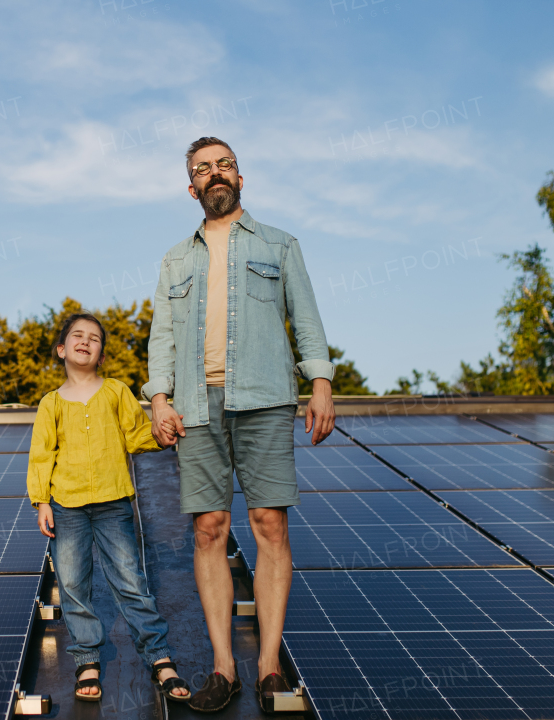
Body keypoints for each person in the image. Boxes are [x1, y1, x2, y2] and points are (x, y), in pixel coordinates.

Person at [142, 137, 336, 713]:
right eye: (202, 169)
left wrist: (320, 382)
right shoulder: (176, 258)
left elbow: (306, 319)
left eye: (223, 164)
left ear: (240, 177)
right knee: (208, 530)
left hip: (266, 399)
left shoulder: (280, 244)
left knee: (269, 524)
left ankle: (270, 669)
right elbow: (162, 337)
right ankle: (224, 668)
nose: (214, 174)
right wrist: (158, 397)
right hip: (196, 407)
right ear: (191, 187)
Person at [27, 313, 191, 704]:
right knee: (72, 585)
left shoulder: (117, 392)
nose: (86, 341)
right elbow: (41, 456)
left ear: (101, 355)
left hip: (114, 502)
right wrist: (41, 502)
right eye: (77, 336)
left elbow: (137, 435)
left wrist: (162, 436)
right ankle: (87, 659)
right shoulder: (50, 404)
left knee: (130, 581)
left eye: (95, 339)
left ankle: (159, 656)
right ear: (62, 349)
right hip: (66, 507)